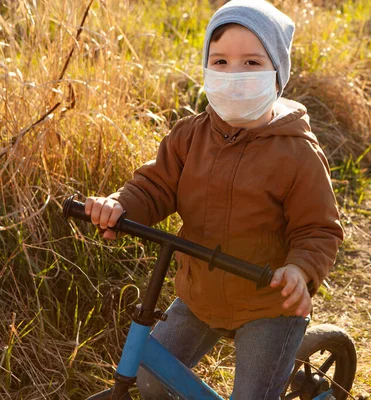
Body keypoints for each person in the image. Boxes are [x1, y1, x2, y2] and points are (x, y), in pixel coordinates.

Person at [84, 1, 344, 399]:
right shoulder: (190, 136)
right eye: (220, 62)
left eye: (252, 63)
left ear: (277, 74)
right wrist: (119, 205)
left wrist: (300, 269)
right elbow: (155, 186)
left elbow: (319, 228)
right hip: (199, 294)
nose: (234, 75)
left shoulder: (297, 153)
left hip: (267, 305)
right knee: (152, 378)